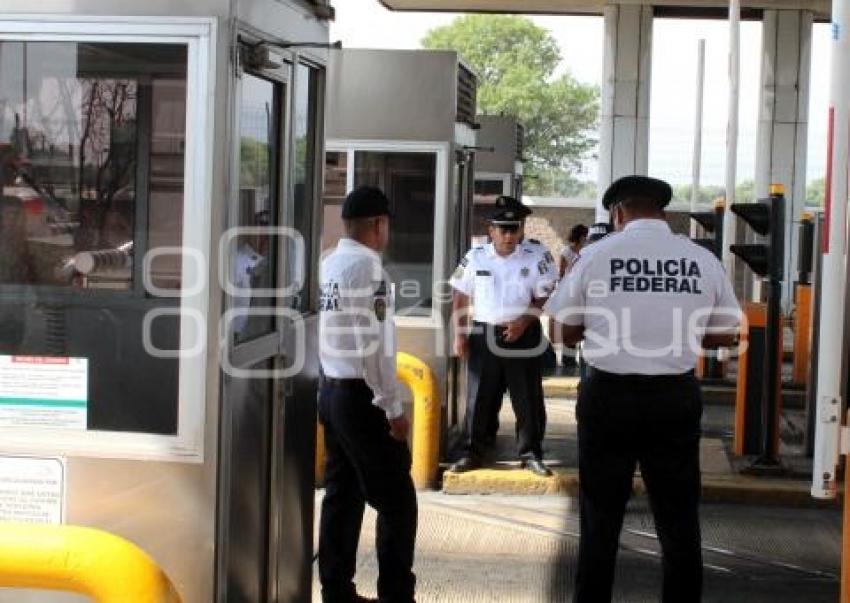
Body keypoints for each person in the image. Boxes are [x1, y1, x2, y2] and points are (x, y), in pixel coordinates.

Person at [545, 175, 741, 603]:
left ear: (617, 213)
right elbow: (726, 332)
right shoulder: (700, 259)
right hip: (674, 398)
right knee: (678, 518)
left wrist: (591, 329)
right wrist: (689, 335)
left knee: (600, 517)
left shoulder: (595, 256)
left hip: (607, 398)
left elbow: (562, 330)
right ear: (663, 211)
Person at [318, 185, 417, 603]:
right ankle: (396, 594)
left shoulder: (329, 264)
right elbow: (374, 346)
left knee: (343, 494)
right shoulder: (371, 270)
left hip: (331, 392)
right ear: (379, 225)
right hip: (361, 399)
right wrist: (393, 407)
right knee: (397, 501)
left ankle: (336, 590)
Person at [449, 195, 557, 477]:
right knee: (479, 397)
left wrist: (523, 321)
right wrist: (459, 336)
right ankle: (473, 451)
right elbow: (460, 297)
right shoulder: (475, 257)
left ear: (522, 230)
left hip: (524, 333)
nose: (509, 235)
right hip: (484, 333)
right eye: (503, 229)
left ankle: (531, 453)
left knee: (528, 397)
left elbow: (543, 297)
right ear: (491, 230)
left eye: (514, 229)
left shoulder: (537, 256)